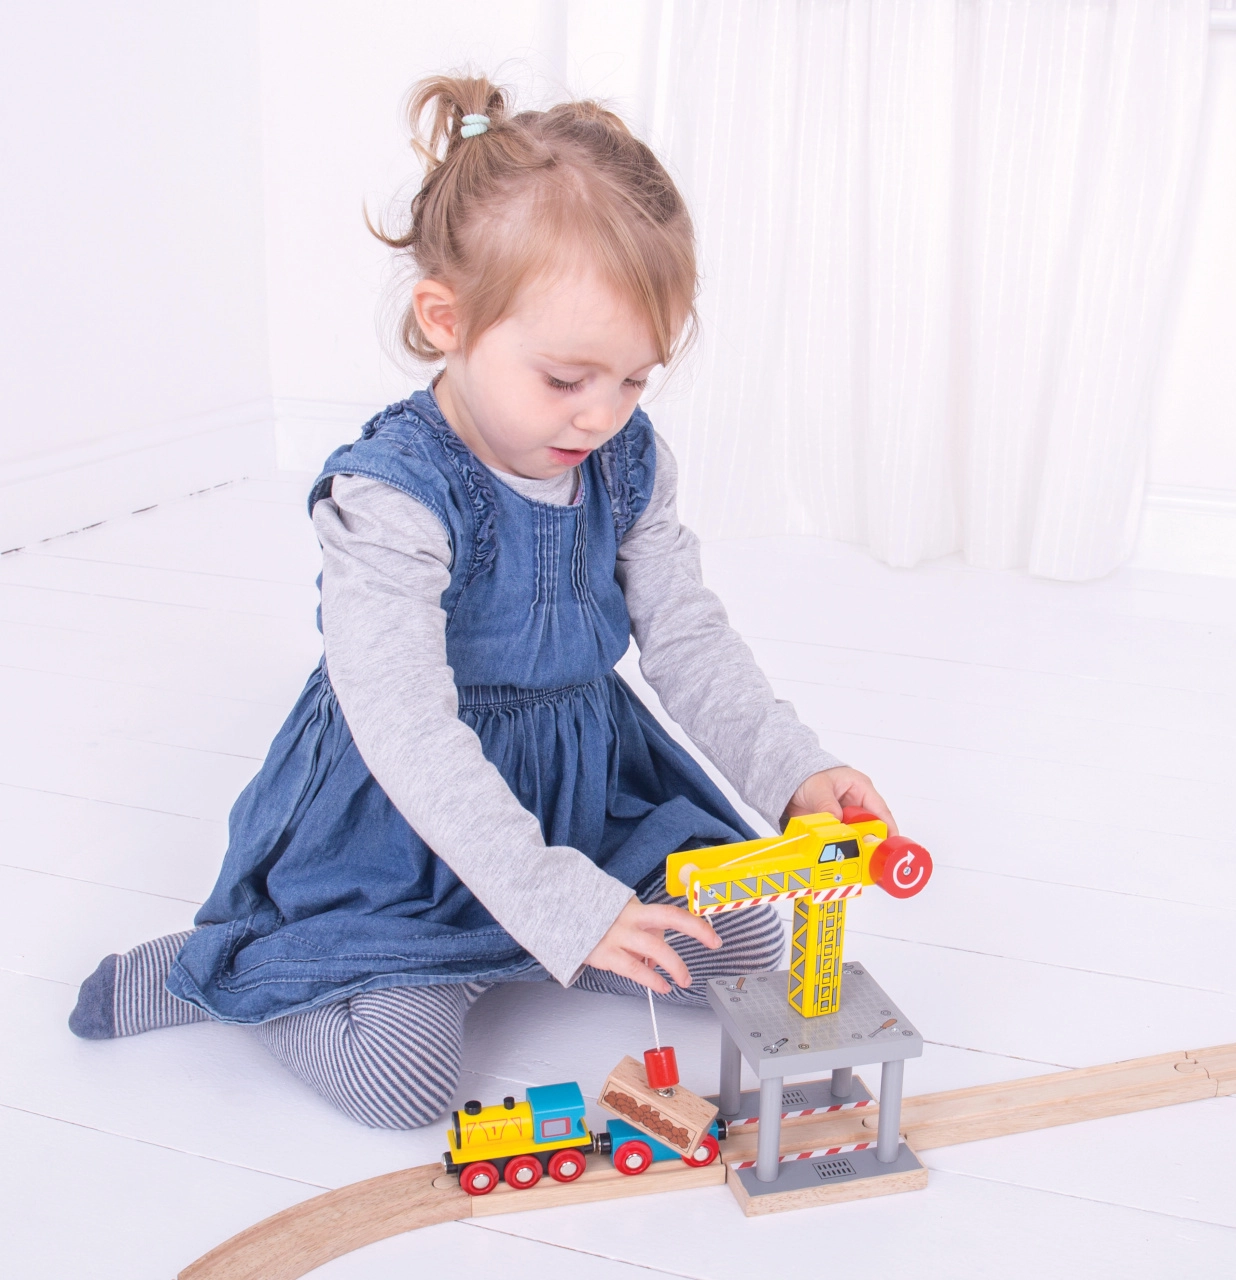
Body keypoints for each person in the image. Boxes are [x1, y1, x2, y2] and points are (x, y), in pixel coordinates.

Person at [68, 75, 895, 1129]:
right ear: (446, 319)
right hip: (403, 827)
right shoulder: (392, 496)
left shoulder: (626, 460)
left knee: (741, 940)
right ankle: (224, 971)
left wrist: (794, 772)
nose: (602, 416)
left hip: (577, 792)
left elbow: (687, 636)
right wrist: (556, 899)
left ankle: (533, 936)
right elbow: (409, 730)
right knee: (403, 1085)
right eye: (566, 379)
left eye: (634, 380)